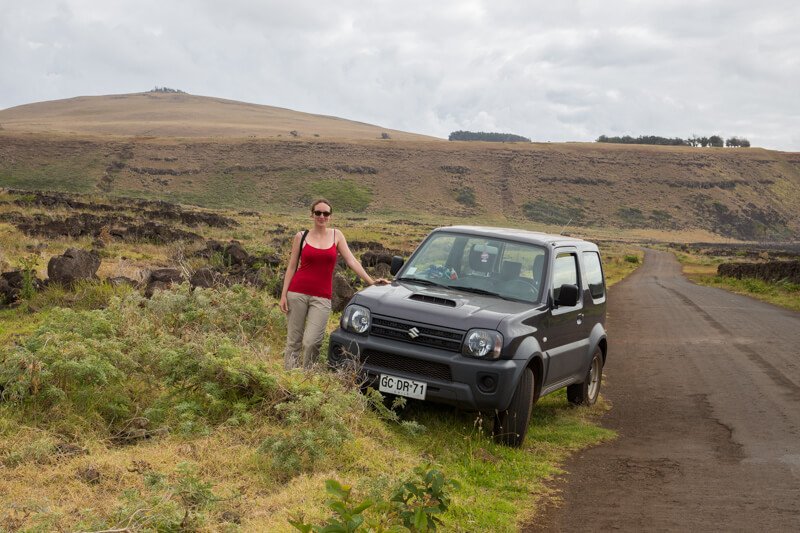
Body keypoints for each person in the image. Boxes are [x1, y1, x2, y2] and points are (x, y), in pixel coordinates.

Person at [279, 198, 388, 370]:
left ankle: (306, 379)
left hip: (322, 296)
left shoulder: (337, 235)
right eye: (318, 213)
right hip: (297, 293)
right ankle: (289, 378)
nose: (322, 216)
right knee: (294, 341)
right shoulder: (301, 236)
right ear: (312, 214)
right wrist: (283, 295)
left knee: (312, 342)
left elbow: (352, 261)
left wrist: (371, 281)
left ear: (330, 216)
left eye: (326, 213)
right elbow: (292, 266)